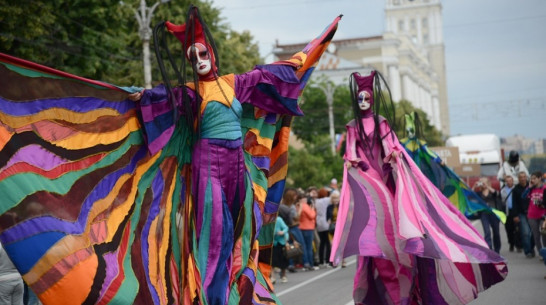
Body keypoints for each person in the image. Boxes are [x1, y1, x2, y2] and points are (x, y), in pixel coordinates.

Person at [0, 6, 341, 305]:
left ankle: (234, 288)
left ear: (212, 54)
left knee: (241, 230)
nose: (199, 61)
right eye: (192, 58)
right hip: (208, 167)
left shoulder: (236, 84)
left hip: (238, 165)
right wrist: (135, 96)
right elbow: (158, 98)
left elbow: (276, 75)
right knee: (214, 234)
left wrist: (310, 52)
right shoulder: (190, 93)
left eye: (202, 55)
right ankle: (212, 297)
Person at [330, 70, 507, 305]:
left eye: (366, 98)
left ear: (372, 98)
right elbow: (351, 149)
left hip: (386, 176)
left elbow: (389, 143)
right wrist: (352, 160)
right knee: (376, 220)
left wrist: (394, 155)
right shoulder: (352, 126)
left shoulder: (382, 123)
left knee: (399, 217)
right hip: (367, 177)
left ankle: (406, 272)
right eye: (359, 98)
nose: (363, 102)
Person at [474, 177, 502, 253]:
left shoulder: (491, 191)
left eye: (484, 182)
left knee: (496, 232)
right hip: (484, 214)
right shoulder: (479, 193)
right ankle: (489, 248)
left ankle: (497, 249)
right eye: (481, 182)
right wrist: (474, 186)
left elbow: (497, 194)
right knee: (487, 232)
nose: (482, 184)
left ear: (488, 183)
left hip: (494, 213)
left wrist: (488, 187)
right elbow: (470, 196)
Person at [512, 171, 535, 257]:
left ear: (526, 177)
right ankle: (528, 251)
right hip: (521, 213)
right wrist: (515, 215)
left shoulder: (531, 187)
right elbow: (514, 203)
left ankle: (532, 247)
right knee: (525, 232)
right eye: (520, 177)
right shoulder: (516, 189)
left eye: (524, 177)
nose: (522, 178)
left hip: (532, 212)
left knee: (533, 233)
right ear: (518, 179)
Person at [526, 171, 546, 257]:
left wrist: (541, 204)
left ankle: (545, 251)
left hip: (543, 215)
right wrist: (529, 188)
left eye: (534, 178)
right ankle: (540, 252)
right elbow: (523, 197)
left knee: (544, 234)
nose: (532, 180)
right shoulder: (531, 188)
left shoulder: (544, 188)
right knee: (536, 235)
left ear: (540, 178)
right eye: (531, 178)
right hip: (532, 215)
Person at [298, 194, 318, 270]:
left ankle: (306, 263)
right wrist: (312, 208)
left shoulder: (299, 206)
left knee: (305, 246)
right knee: (308, 247)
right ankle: (309, 263)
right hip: (308, 228)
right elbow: (312, 216)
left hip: (302, 227)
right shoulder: (304, 206)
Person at [501, 175, 521, 252]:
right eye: (507, 181)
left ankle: (518, 245)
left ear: (513, 181)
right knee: (509, 229)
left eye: (510, 180)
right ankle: (511, 243)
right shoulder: (503, 190)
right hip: (507, 211)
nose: (509, 182)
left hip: (515, 210)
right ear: (506, 182)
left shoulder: (516, 189)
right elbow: (501, 201)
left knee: (517, 229)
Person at [315, 188, 332, 267]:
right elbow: (333, 195)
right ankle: (328, 260)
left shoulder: (316, 201)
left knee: (322, 242)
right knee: (327, 242)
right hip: (326, 221)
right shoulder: (327, 200)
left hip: (319, 222)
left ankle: (321, 261)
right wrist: (329, 191)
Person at [271, 215, 289, 284]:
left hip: (281, 242)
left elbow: (286, 228)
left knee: (283, 260)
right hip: (272, 243)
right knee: (272, 261)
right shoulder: (267, 221)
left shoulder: (278, 219)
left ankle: (284, 275)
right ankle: (273, 277)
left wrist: (282, 232)